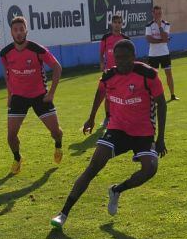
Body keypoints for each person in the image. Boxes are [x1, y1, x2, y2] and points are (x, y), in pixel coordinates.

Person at [51, 40, 167, 229]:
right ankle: (63, 213)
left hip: (143, 133)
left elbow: (162, 104)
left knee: (150, 169)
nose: (119, 62)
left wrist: (160, 138)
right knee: (93, 166)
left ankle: (116, 190)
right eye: (116, 58)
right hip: (117, 129)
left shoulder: (148, 75)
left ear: (133, 57)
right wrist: (91, 118)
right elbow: (99, 95)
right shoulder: (108, 76)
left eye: (124, 58)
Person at [0, 16, 64, 175]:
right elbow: (8, 75)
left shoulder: (38, 49)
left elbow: (57, 67)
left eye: (22, 29)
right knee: (11, 136)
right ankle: (17, 158)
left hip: (40, 96)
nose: (19, 33)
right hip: (18, 98)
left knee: (56, 132)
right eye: (16, 30)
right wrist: (9, 95)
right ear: (11, 32)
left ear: (26, 30)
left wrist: (51, 93)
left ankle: (58, 145)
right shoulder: (5, 53)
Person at [99, 14, 129, 128]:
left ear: (122, 24)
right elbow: (101, 53)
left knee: (124, 95)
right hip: (109, 73)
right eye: (115, 22)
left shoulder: (125, 39)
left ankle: (124, 117)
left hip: (122, 72)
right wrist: (102, 63)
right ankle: (108, 117)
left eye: (119, 22)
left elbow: (130, 56)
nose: (117, 25)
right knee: (107, 96)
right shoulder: (105, 38)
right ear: (111, 24)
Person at [145, 6, 178, 101]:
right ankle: (152, 97)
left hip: (164, 54)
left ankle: (172, 95)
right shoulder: (149, 25)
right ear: (152, 13)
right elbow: (149, 39)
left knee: (169, 74)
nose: (158, 15)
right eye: (156, 13)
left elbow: (165, 37)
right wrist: (162, 40)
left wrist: (159, 26)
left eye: (160, 13)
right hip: (153, 55)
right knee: (152, 77)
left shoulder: (166, 24)